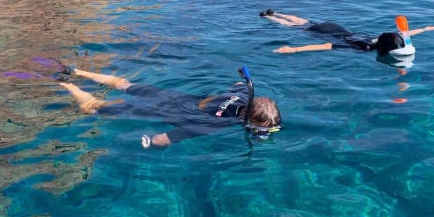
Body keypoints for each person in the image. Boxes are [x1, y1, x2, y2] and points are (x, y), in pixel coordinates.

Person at [57, 65, 282, 149]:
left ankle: (78, 72)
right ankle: (66, 85)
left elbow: (237, 82)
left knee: (125, 84)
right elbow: (161, 139)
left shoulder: (242, 95)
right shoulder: (215, 125)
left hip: (175, 96)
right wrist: (150, 145)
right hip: (166, 111)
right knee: (93, 107)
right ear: (251, 121)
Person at [259, 8, 434, 55]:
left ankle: (275, 13)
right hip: (325, 33)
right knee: (296, 26)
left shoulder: (373, 40)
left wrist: (424, 29)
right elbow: (328, 46)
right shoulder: (364, 47)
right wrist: (294, 50)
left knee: (301, 21)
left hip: (334, 27)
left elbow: (404, 35)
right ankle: (271, 17)